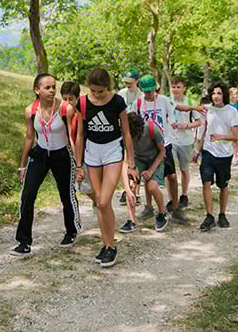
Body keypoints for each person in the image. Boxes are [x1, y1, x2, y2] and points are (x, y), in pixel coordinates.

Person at [11, 74, 82, 257]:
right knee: (28, 194)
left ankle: (71, 230)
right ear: (37, 90)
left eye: (53, 87)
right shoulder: (30, 111)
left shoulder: (65, 108)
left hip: (61, 154)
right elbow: (29, 137)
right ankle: (23, 242)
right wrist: (22, 165)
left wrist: (78, 164)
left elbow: (74, 138)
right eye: (47, 87)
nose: (52, 90)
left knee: (66, 194)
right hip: (40, 153)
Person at [76, 67, 134, 267]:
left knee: (103, 200)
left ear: (107, 87)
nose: (97, 95)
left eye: (101, 91)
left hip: (112, 152)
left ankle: (111, 246)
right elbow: (80, 135)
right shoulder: (83, 102)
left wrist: (131, 162)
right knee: (100, 203)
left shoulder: (117, 101)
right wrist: (78, 164)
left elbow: (126, 133)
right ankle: (107, 244)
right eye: (94, 91)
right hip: (92, 152)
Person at [176, 81, 238, 231]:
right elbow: (204, 129)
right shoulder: (208, 109)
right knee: (206, 182)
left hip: (224, 154)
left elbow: (235, 136)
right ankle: (209, 216)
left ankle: (222, 214)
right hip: (208, 152)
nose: (216, 96)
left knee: (223, 184)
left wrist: (220, 137)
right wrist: (198, 150)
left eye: (219, 93)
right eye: (213, 93)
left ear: (223, 94)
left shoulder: (232, 111)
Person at [134, 74, 189, 224]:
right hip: (147, 145)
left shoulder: (163, 100)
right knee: (147, 176)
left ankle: (175, 207)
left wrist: (172, 125)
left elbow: (171, 116)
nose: (149, 94)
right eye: (146, 91)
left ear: (155, 89)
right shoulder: (138, 103)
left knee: (171, 176)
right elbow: (133, 119)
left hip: (165, 142)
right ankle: (149, 206)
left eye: (151, 91)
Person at [119, 112, 169, 233]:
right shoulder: (124, 134)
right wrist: (132, 168)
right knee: (131, 186)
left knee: (152, 187)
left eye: (135, 136)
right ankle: (132, 220)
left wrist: (151, 170)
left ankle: (162, 213)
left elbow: (162, 151)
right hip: (138, 159)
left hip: (155, 159)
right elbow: (125, 158)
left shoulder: (152, 129)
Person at [61, 81, 97, 215]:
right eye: (65, 99)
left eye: (71, 99)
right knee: (80, 186)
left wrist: (78, 161)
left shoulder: (83, 111)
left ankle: (99, 203)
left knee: (87, 184)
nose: (68, 102)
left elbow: (78, 136)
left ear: (77, 98)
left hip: (86, 151)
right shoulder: (63, 112)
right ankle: (97, 202)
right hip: (72, 152)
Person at [169, 76, 203, 208]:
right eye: (173, 87)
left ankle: (184, 194)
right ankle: (172, 198)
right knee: (170, 172)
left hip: (186, 141)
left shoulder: (191, 102)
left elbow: (199, 121)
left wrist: (187, 126)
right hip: (170, 140)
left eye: (178, 87)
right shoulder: (166, 101)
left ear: (184, 88)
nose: (175, 90)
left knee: (184, 169)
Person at [116, 68, 142, 206]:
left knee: (134, 159)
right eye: (125, 81)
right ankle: (127, 189)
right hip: (123, 129)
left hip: (135, 130)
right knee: (125, 159)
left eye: (130, 82)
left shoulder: (141, 96)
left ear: (137, 81)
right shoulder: (121, 94)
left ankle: (136, 192)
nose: (127, 84)